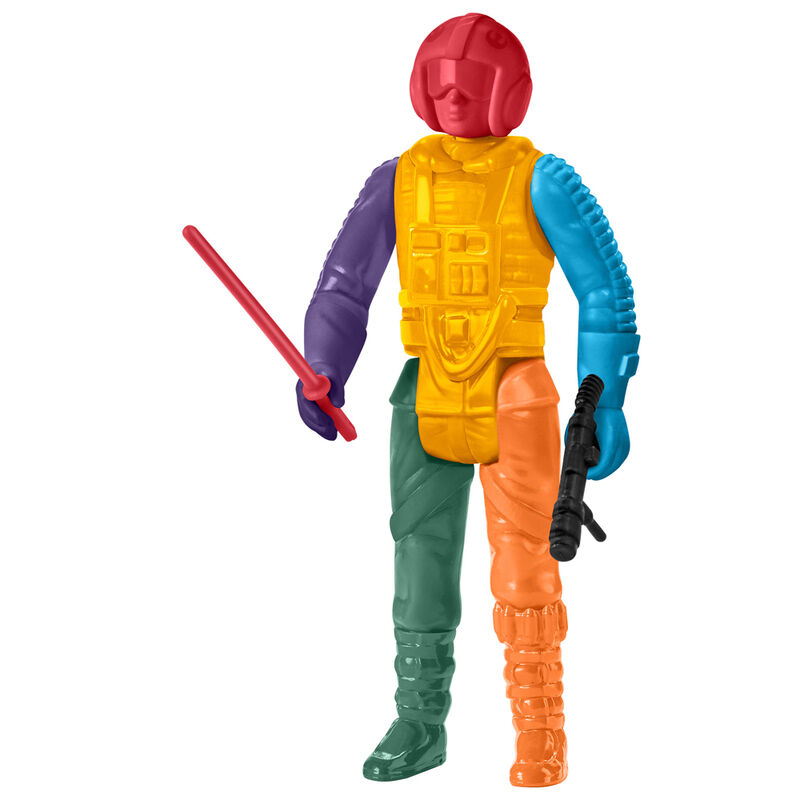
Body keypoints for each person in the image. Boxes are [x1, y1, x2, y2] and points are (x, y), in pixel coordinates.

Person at [295, 12, 639, 787]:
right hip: (424, 391)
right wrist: (325, 364)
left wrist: (606, 400)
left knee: (526, 568)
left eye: (470, 84)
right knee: (417, 562)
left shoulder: (541, 178)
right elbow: (346, 285)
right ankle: (419, 722)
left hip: (515, 391)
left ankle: (540, 728)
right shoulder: (399, 178)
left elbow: (604, 291)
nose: (453, 98)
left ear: (507, 91)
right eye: (440, 84)